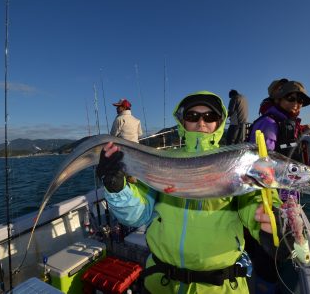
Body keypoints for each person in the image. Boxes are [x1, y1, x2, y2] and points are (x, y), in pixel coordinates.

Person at [96, 91, 286, 293]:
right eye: (192, 116)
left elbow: (259, 204)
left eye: (210, 116)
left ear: (219, 122)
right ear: (182, 121)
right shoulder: (162, 160)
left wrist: (274, 226)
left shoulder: (238, 163)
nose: (201, 122)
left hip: (220, 288)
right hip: (161, 283)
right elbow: (136, 216)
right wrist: (116, 188)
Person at [245, 80, 310, 291]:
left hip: (288, 196)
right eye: (291, 98)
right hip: (269, 200)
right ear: (278, 99)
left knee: (277, 251)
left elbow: (294, 159)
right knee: (267, 255)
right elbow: (266, 165)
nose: (297, 104)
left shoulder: (289, 124)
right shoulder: (268, 124)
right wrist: (308, 176)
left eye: (301, 100)